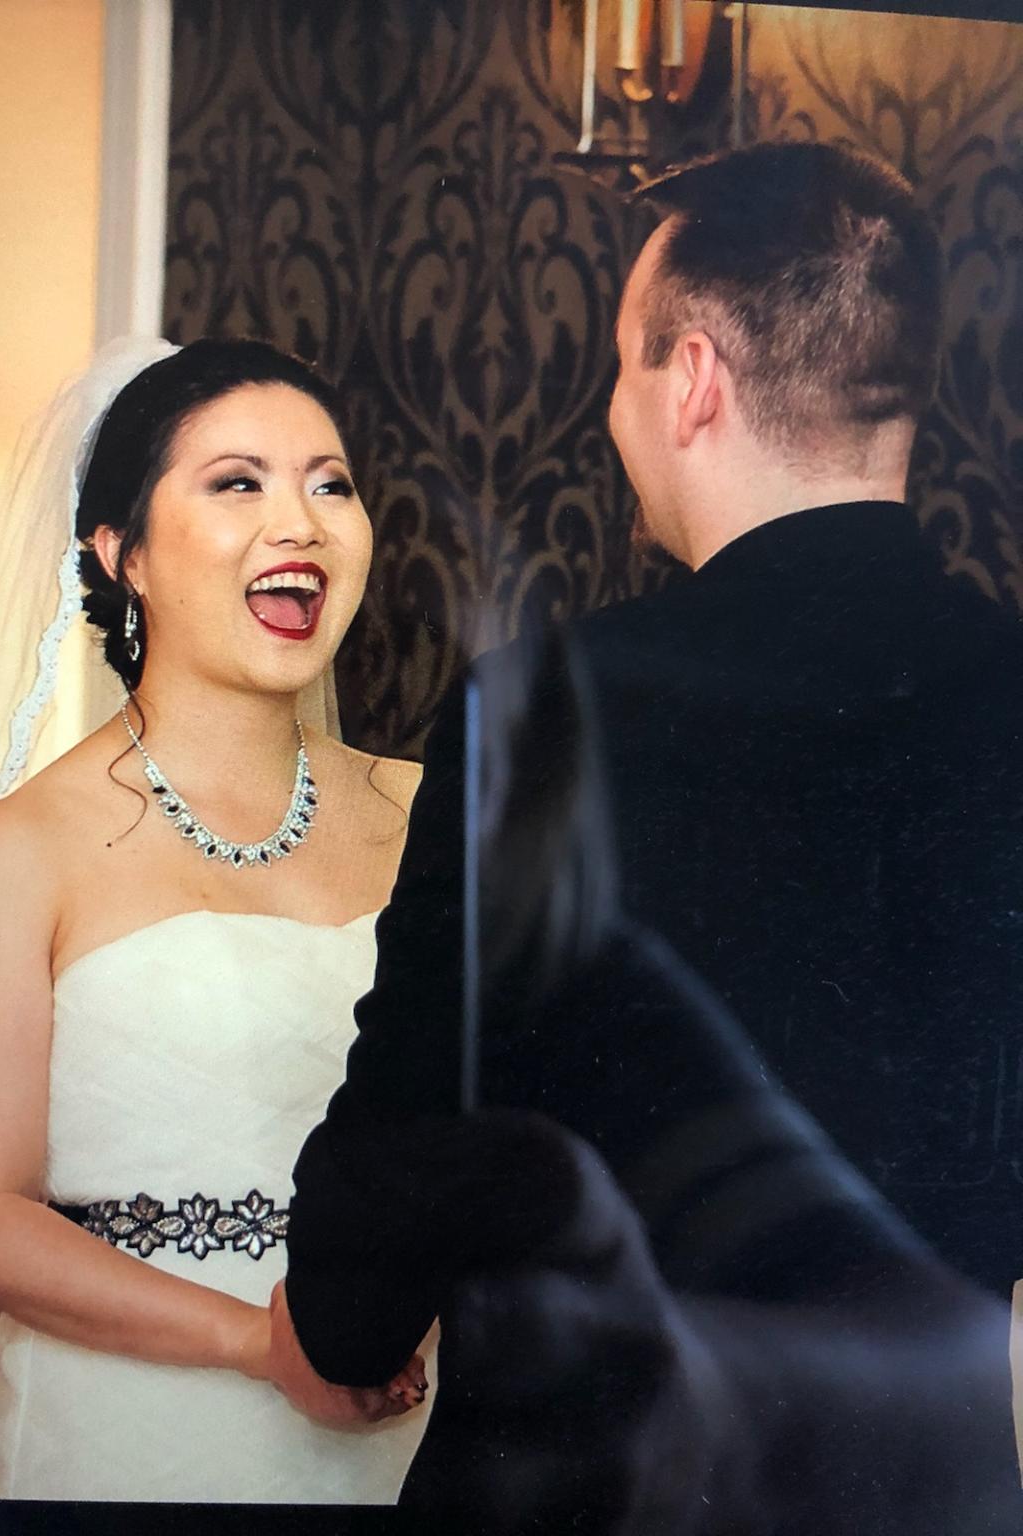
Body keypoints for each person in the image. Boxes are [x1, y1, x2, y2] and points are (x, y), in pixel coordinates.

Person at [275, 141, 1023, 1520]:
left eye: (623, 365)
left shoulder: (547, 710)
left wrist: (337, 1318)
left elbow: (404, 1155)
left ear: (692, 382)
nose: (613, 411)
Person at [0, 337, 431, 1502]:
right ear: (120, 552)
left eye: (329, 483)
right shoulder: (13, 855)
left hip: (415, 1427)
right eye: (238, 483)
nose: (300, 523)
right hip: (128, 1442)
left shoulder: (432, 813)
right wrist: (265, 1346)